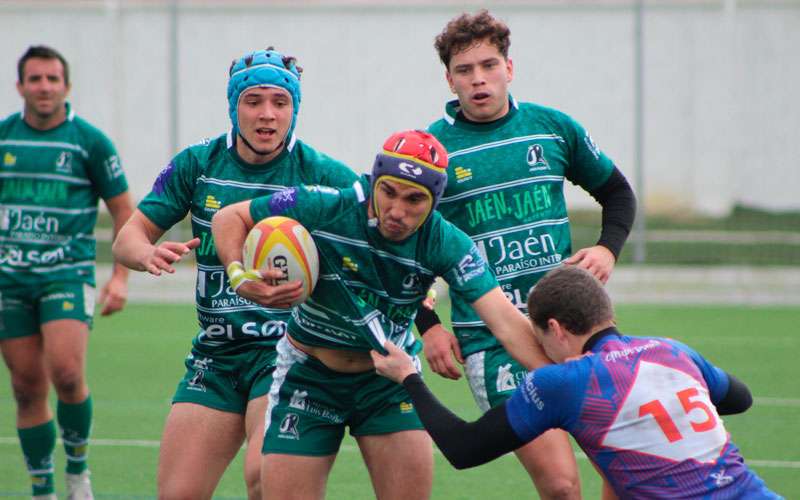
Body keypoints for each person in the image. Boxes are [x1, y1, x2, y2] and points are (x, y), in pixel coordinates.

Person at [211, 129, 550, 500]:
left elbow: (505, 321)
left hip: (389, 383)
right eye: (388, 191)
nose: (397, 211)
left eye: (414, 199)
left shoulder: (446, 242)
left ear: (435, 201)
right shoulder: (327, 205)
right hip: (310, 374)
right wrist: (239, 276)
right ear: (375, 180)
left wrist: (570, 378)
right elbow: (230, 217)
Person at [111, 48, 358, 499]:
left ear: (294, 109)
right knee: (177, 494)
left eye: (280, 103)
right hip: (218, 354)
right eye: (253, 101)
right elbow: (127, 238)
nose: (267, 115)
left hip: (289, 355)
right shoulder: (199, 164)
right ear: (233, 106)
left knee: (263, 480)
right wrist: (146, 254)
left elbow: (374, 240)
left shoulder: (322, 174)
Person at [414, 10, 637, 498]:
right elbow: (402, 242)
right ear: (449, 79)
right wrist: (429, 325)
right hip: (491, 339)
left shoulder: (552, 129)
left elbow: (618, 193)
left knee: (621, 469)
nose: (479, 80)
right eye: (465, 70)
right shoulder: (432, 151)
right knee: (560, 485)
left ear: (509, 69)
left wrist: (607, 248)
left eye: (489, 66)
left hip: (573, 330)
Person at [374, 266, 780, 499]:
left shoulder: (565, 381)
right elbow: (739, 398)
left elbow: (464, 449)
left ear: (555, 329)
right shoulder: (671, 351)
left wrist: (408, 376)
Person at [0, 45, 134, 499]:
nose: (43, 87)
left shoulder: (89, 142)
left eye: (52, 79)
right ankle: (43, 489)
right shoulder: (4, 139)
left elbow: (124, 212)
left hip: (66, 275)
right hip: (9, 280)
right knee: (25, 386)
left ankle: (78, 472)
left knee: (67, 373)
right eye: (34, 79)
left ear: (66, 86)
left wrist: (120, 278)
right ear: (20, 86)